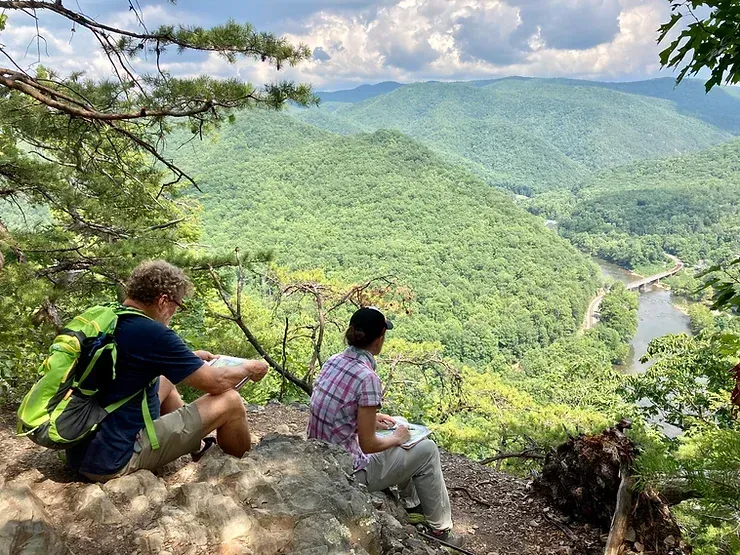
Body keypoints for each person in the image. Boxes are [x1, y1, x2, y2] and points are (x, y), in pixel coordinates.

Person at [66, 260, 269, 482]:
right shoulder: (154, 333)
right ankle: (240, 470)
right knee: (230, 401)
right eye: (177, 305)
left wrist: (189, 358)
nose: (175, 312)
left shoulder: (109, 317)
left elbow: (133, 363)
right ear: (163, 300)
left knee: (166, 381)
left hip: (83, 450)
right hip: (116, 458)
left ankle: (198, 448)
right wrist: (250, 367)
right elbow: (216, 382)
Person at [308, 307, 463, 547]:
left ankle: (413, 507)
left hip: (320, 455)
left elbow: (338, 410)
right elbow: (369, 445)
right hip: (347, 471)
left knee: (395, 421)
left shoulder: (334, 361)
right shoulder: (368, 378)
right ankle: (441, 530)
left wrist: (374, 418)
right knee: (427, 449)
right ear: (379, 339)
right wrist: (398, 438)